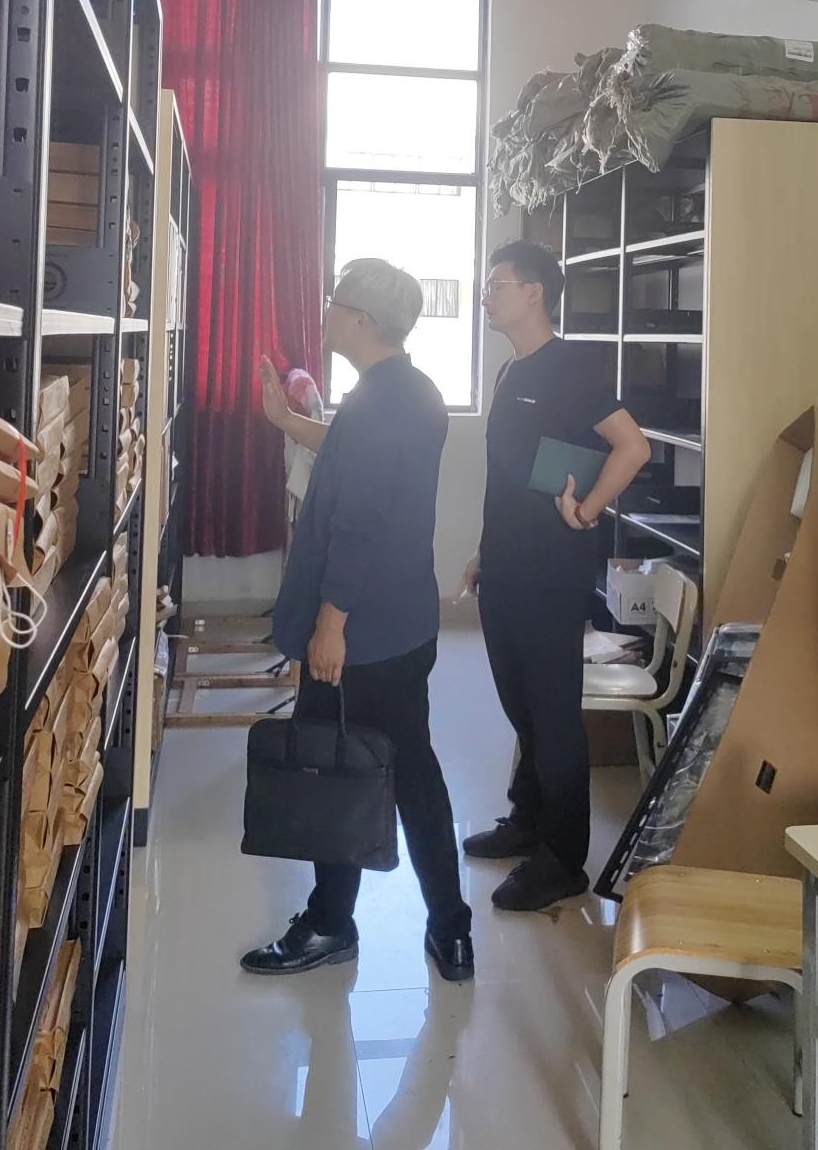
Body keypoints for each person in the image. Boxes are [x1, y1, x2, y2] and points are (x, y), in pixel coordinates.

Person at [240, 258, 473, 981]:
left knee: (334, 768)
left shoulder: (380, 403)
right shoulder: (402, 391)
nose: (326, 313)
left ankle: (330, 925)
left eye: (335, 304)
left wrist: (331, 622)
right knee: (413, 771)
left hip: (362, 632)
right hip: (402, 622)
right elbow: (349, 454)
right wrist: (286, 421)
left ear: (362, 322)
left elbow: (359, 521)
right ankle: (450, 930)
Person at [460, 240, 651, 911]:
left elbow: (633, 446)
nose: (486, 296)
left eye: (496, 284)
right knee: (520, 704)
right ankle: (527, 819)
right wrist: (485, 553)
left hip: (550, 572)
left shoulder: (568, 366)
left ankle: (563, 858)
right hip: (506, 565)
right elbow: (512, 478)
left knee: (551, 711)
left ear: (533, 291)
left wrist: (589, 509)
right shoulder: (510, 370)